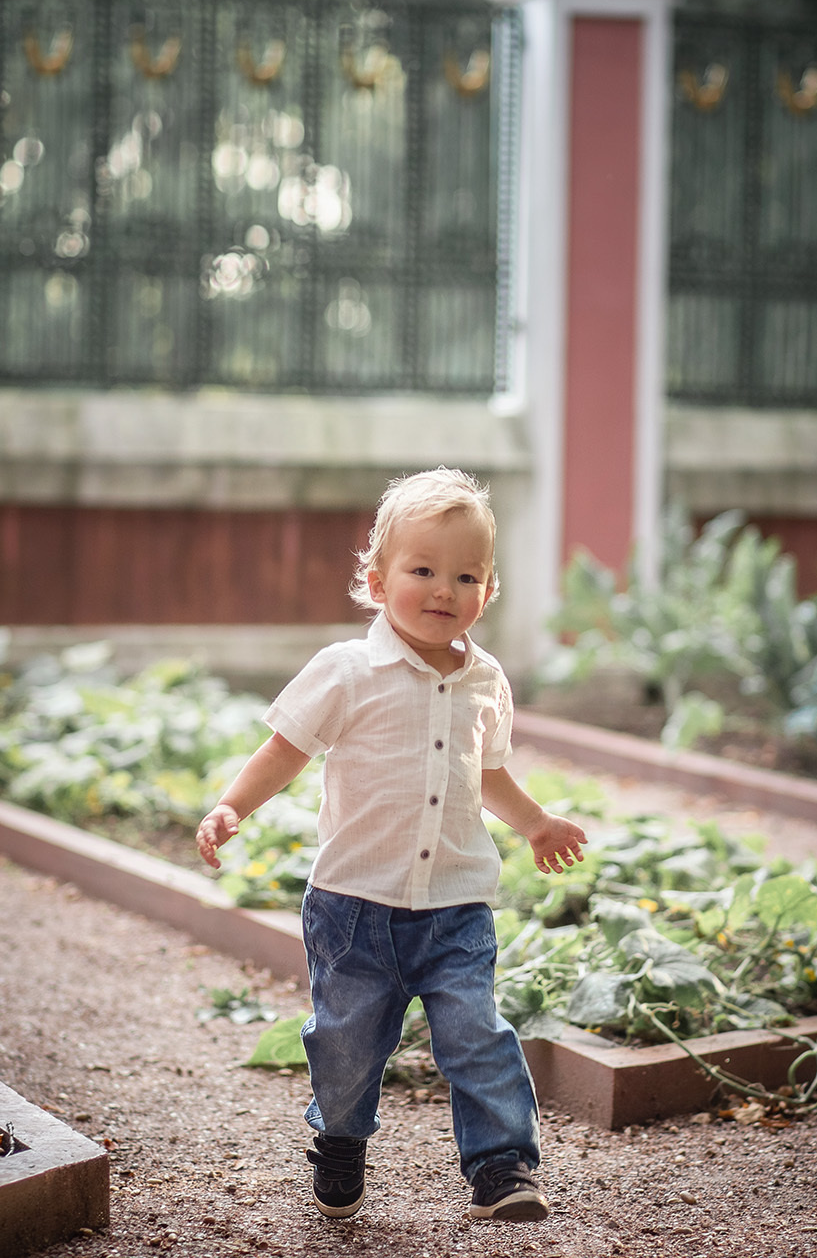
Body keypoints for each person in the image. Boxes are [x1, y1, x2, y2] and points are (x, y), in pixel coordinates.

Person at [196, 468, 588, 1224]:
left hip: (456, 906)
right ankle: (340, 1138)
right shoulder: (347, 670)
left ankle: (503, 1164)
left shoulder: (487, 680)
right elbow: (285, 748)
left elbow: (490, 772)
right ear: (376, 582)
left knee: (478, 1034)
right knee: (345, 1048)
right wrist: (231, 804)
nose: (444, 588)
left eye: (465, 574)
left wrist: (536, 822)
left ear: (490, 589)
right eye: (422, 570)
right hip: (354, 908)